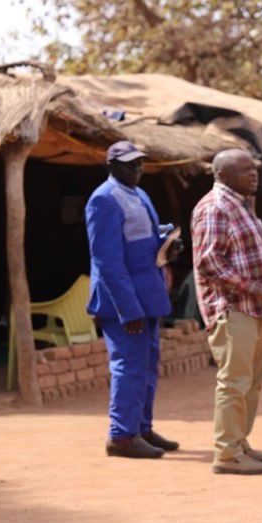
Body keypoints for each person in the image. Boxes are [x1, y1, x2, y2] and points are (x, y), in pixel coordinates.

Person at [192, 148, 262, 475]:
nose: (253, 174)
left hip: (256, 308)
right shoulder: (216, 207)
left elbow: (259, 250)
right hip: (233, 309)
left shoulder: (242, 205)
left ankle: (239, 442)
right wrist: (254, 288)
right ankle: (227, 454)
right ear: (222, 175)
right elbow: (209, 262)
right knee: (234, 382)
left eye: (254, 169)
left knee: (251, 382)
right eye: (245, 170)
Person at [86, 141, 181, 459]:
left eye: (139, 163)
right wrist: (129, 309)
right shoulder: (103, 200)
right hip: (123, 302)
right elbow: (107, 261)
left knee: (148, 366)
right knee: (129, 367)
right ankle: (121, 436)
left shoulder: (140, 195)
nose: (137, 169)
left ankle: (141, 427)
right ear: (111, 166)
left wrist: (166, 243)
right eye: (129, 164)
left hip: (148, 293)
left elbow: (143, 240)